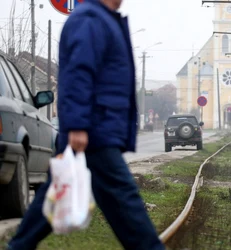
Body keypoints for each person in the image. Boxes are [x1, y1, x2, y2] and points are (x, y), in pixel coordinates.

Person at [7, 0, 165, 249]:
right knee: (124, 198)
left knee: (58, 195)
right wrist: (78, 126)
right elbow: (77, 75)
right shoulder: (90, 19)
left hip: (95, 127)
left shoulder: (102, 19)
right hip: (94, 129)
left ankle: (19, 246)